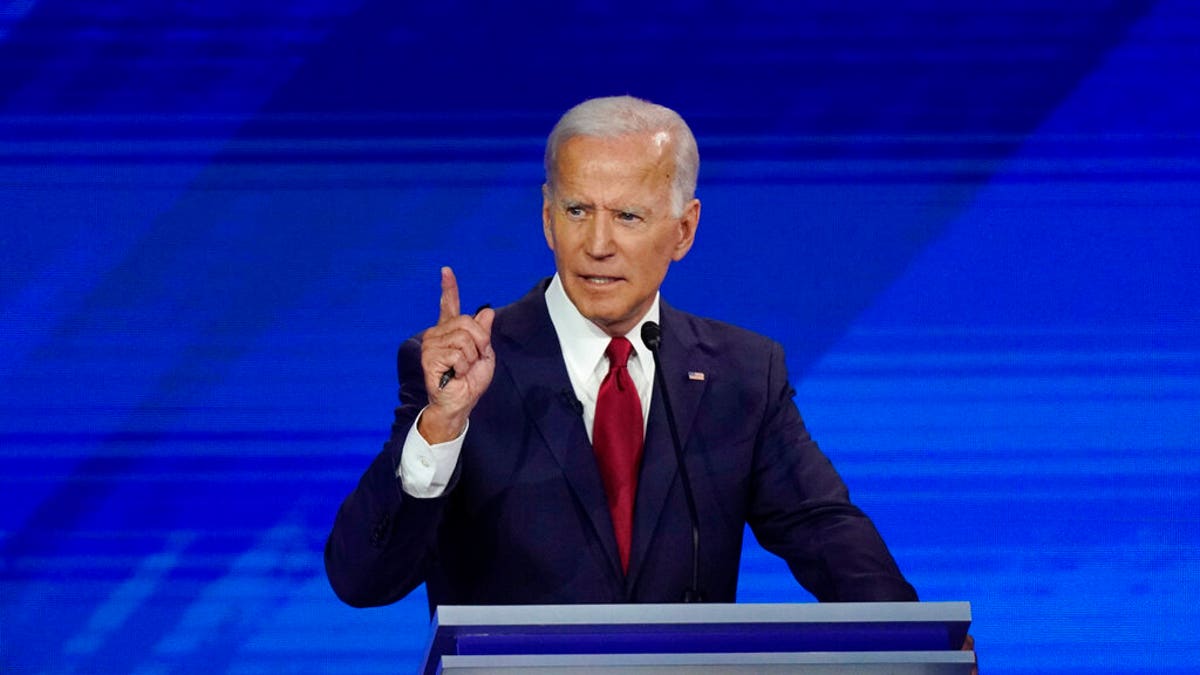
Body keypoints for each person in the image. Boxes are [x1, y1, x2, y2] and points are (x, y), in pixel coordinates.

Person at [324, 95, 918, 610]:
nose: (598, 245)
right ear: (547, 218)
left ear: (683, 230)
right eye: (578, 211)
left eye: (628, 216)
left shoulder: (742, 373)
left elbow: (824, 531)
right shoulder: (464, 371)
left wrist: (919, 642)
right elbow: (362, 581)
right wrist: (441, 428)